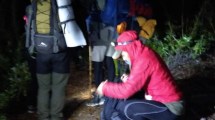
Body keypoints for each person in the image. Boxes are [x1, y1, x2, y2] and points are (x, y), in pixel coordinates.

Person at [96, 30, 184, 120]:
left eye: (123, 52)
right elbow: (141, 81)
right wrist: (129, 80)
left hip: (171, 106)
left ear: (130, 48)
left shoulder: (144, 58)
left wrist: (104, 88)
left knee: (127, 108)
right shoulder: (141, 54)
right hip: (156, 98)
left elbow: (126, 91)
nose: (123, 57)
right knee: (120, 103)